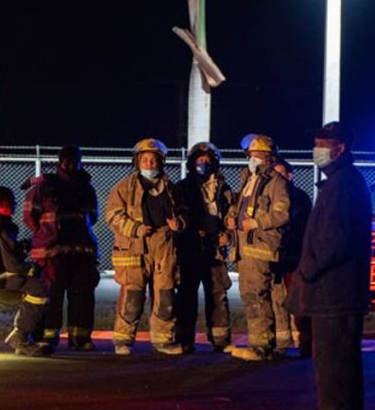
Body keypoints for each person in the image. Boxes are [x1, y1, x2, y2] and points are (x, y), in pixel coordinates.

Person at [288, 122, 371, 410]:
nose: (317, 149)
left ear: (341, 148)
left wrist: (308, 270)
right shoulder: (342, 182)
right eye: (316, 142)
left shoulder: (342, 185)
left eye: (323, 143)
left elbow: (333, 241)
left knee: (333, 357)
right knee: (338, 355)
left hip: (334, 290)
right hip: (338, 289)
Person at [106, 138, 186, 356]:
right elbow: (112, 216)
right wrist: (135, 228)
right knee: (133, 298)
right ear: (137, 162)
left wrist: (179, 223)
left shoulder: (172, 189)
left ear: (161, 162)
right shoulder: (123, 188)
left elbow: (184, 213)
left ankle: (163, 341)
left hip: (165, 246)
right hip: (135, 247)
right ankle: (123, 340)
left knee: (166, 297)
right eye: (146, 160)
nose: (150, 164)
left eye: (154, 160)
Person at [23, 145, 99, 351]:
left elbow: (93, 216)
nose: (70, 164)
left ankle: (80, 338)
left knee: (82, 295)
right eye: (66, 159)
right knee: (52, 296)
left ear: (80, 161)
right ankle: (48, 337)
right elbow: (30, 218)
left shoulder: (86, 187)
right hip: (52, 253)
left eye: (74, 159)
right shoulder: (44, 187)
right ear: (59, 161)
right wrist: (47, 234)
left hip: (80, 252)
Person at [225, 133, 291, 361]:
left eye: (259, 155)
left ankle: (260, 346)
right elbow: (240, 206)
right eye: (251, 154)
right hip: (244, 247)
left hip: (260, 248)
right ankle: (262, 344)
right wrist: (231, 220)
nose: (254, 158)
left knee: (256, 295)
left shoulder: (276, 182)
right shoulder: (247, 179)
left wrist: (256, 222)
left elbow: (282, 214)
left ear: (270, 157)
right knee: (250, 294)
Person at [175, 142, 234, 353]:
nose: (204, 163)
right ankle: (184, 339)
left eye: (208, 160)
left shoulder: (223, 189)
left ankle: (220, 340)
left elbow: (231, 215)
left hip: (214, 249)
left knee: (218, 294)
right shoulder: (181, 188)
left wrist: (227, 232)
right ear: (192, 163)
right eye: (200, 160)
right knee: (186, 295)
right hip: (189, 248)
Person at [0, 187, 52, 357]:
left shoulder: (2, 225)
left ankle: (30, 336)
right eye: (9, 201)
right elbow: (11, 264)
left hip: (2, 273)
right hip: (2, 277)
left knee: (40, 283)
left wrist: (24, 246)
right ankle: (20, 336)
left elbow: (11, 253)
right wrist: (29, 269)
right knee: (39, 288)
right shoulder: (3, 228)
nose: (14, 204)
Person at [271, 159, 313, 357]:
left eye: (281, 175)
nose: (277, 179)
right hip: (275, 257)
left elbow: (295, 226)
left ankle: (305, 343)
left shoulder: (300, 198)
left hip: (295, 257)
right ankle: (281, 342)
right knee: (276, 300)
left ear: (290, 176)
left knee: (299, 302)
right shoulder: (268, 195)